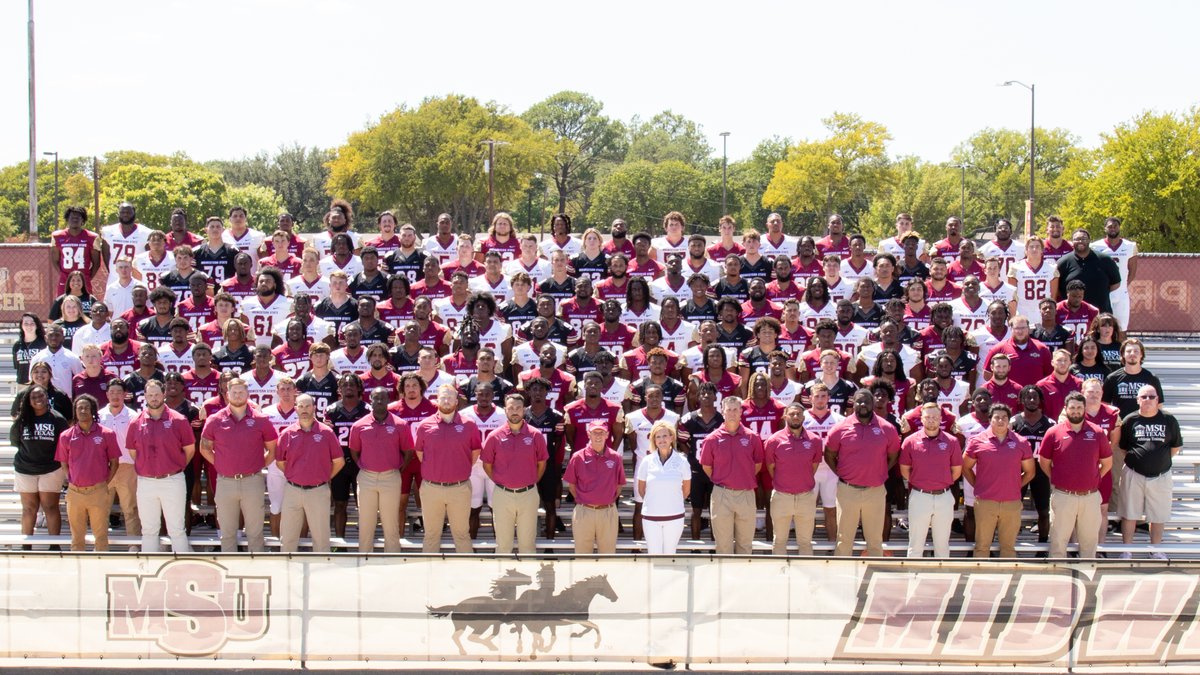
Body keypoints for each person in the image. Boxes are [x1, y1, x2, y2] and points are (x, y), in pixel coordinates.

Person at [199, 377, 278, 552]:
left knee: (255, 531)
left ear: (248, 394)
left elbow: (273, 449)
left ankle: (256, 567)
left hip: (252, 481)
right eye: (234, 392)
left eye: (241, 392)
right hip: (225, 481)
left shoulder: (261, 419)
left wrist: (258, 465)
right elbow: (204, 449)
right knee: (227, 532)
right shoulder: (215, 419)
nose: (237, 395)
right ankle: (230, 570)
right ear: (227, 394)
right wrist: (221, 465)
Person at [825, 388, 902, 557]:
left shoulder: (887, 428)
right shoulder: (840, 428)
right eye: (859, 401)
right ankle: (842, 578)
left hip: (874, 490)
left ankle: (873, 576)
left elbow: (894, 455)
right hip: (848, 490)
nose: (863, 405)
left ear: (873, 403)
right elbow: (829, 454)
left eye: (867, 401)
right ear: (853, 404)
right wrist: (841, 473)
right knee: (844, 539)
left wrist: (880, 471)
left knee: (875, 540)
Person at [1039, 392, 1112, 558]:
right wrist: (1056, 478)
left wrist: (1094, 477)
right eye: (1072, 408)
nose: (1076, 411)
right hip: (1063, 496)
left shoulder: (1098, 432)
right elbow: (1044, 462)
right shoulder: (1053, 433)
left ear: (1084, 409)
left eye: (1079, 407)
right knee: (1058, 542)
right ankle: (1057, 578)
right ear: (1066, 409)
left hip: (1090, 496)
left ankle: (1087, 579)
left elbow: (1107, 462)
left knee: (1089, 543)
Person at [125, 379, 194, 553]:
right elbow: (133, 452)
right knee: (148, 530)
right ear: (145, 397)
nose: (154, 398)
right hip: (146, 481)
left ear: (163, 394)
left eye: (157, 394)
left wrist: (174, 466)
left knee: (177, 529)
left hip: (172, 480)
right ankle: (151, 570)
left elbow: (189, 449)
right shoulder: (135, 422)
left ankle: (182, 568)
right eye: (150, 395)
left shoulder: (179, 420)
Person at [413, 384, 481, 553]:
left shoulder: (469, 425)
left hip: (459, 488)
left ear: (456, 401)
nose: (446, 400)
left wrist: (458, 468)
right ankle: (429, 577)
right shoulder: (425, 425)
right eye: (443, 397)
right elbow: (420, 454)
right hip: (431, 488)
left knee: (462, 535)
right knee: (431, 535)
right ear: (436, 400)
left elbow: (475, 452)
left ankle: (467, 578)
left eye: (450, 397)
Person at [1118, 384, 1183, 559]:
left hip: (1161, 475)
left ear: (1157, 399)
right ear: (1137, 399)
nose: (1148, 400)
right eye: (1144, 397)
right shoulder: (1130, 420)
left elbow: (1175, 447)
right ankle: (1127, 550)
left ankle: (1155, 549)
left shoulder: (1169, 420)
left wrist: (1156, 461)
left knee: (1158, 515)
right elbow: (1123, 447)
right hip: (1134, 473)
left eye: (1151, 397)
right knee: (1129, 513)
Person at [963, 403, 1035, 558]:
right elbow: (965, 467)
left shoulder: (1021, 442)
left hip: (1012, 502)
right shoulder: (977, 441)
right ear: (990, 420)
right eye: (997, 417)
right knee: (982, 547)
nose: (1001, 420)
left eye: (1004, 417)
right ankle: (980, 579)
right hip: (985, 502)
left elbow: (1030, 472)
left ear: (1009, 420)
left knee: (1008, 548)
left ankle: (1008, 580)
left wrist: (1016, 486)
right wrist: (979, 485)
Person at [276, 394, 345, 553]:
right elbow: (280, 462)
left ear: (314, 408)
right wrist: (295, 475)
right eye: (301, 406)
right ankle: (288, 572)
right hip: (293, 491)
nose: (304, 410)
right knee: (288, 538)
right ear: (295, 409)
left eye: (308, 406)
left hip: (318, 491)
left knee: (321, 538)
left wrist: (324, 477)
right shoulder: (287, 433)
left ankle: (321, 573)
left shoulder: (326, 433)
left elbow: (339, 461)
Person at [482, 393, 548, 554]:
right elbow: (487, 465)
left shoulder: (535, 435)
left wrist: (530, 481)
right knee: (503, 544)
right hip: (502, 495)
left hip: (528, 494)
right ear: (505, 410)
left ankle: (529, 575)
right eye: (511, 408)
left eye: (518, 408)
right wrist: (502, 481)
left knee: (527, 544)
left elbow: (541, 464)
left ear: (524, 410)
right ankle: (503, 576)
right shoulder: (494, 436)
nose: (515, 411)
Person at [350, 388, 411, 553]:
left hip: (390, 477)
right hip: (366, 477)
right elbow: (354, 451)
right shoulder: (358, 425)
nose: (379, 402)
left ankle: (392, 559)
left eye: (383, 398)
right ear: (370, 399)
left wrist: (396, 469)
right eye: (376, 398)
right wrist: (364, 466)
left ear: (388, 400)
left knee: (390, 522)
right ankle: (364, 557)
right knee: (366, 522)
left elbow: (407, 451)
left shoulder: (400, 424)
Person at [56, 395, 121, 551]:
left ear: (93, 410)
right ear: (75, 411)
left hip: (98, 491)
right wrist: (70, 479)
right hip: (75, 492)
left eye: (86, 407)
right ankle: (78, 572)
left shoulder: (107, 434)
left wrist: (105, 484)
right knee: (77, 538)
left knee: (101, 537)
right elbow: (63, 462)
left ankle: (101, 569)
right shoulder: (66, 436)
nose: (83, 410)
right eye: (79, 408)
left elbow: (114, 463)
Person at [700, 396, 763, 554]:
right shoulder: (712, 439)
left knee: (745, 544)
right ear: (722, 412)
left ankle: (742, 578)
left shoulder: (752, 437)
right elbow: (707, 466)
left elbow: (757, 464)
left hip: (746, 494)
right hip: (722, 494)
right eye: (729, 410)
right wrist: (723, 480)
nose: (732, 413)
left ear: (741, 412)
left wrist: (741, 478)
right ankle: (725, 578)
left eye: (736, 409)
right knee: (723, 545)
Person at [899, 402, 963, 558]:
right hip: (920, 496)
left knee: (942, 546)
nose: (931, 420)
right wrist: (922, 483)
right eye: (928, 417)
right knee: (915, 545)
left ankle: (942, 580)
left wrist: (940, 483)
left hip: (944, 496)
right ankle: (913, 578)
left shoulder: (951, 441)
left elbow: (956, 471)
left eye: (935, 417)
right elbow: (904, 469)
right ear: (921, 419)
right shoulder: (910, 441)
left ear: (941, 418)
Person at [10, 384, 68, 548]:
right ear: (28, 400)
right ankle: (26, 545)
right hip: (25, 469)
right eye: (34, 397)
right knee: (29, 508)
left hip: (50, 469)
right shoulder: (22, 420)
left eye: (41, 396)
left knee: (50, 507)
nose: (38, 399)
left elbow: (64, 445)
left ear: (46, 398)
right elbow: (15, 442)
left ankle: (54, 545)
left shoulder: (57, 419)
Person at [764, 402, 823, 555]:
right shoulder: (774, 440)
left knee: (805, 542)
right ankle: (780, 575)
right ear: (785, 416)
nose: (795, 417)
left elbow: (814, 466)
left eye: (798, 414)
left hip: (806, 497)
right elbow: (771, 467)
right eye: (792, 414)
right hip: (782, 497)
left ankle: (806, 577)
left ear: (804, 416)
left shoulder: (815, 440)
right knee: (779, 541)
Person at [564, 421, 626, 554]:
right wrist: (586, 500)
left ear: (607, 435)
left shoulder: (616, 457)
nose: (598, 436)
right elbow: (572, 486)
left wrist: (606, 499)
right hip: (584, 511)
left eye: (602, 432)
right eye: (595, 433)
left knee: (608, 555)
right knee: (582, 555)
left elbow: (619, 485)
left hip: (607, 512)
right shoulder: (578, 457)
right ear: (588, 434)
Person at [636, 421, 691, 555]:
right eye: (658, 437)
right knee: (654, 556)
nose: (662, 440)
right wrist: (656, 501)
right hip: (651, 518)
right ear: (654, 440)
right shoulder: (647, 461)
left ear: (672, 437)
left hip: (675, 517)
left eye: (665, 436)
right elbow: (641, 490)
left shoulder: (682, 461)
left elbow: (686, 491)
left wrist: (670, 501)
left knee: (670, 556)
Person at [1056, 228, 1120, 314]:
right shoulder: (1063, 262)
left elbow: (1116, 283)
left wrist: (1101, 291)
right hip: (1072, 315)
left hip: (1101, 312)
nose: (1080, 241)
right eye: (1077, 239)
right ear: (1072, 242)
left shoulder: (1105, 260)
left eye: (1083, 239)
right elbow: (1056, 288)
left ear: (1089, 240)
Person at [1091, 217, 1138, 331]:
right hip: (1103, 291)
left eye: (1115, 226)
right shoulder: (1095, 246)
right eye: (1110, 226)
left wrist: (1123, 286)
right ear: (1105, 228)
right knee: (1100, 326)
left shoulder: (1130, 246)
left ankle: (1120, 349)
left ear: (1119, 227)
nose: (1113, 229)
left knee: (1121, 328)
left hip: (1121, 291)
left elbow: (1132, 270)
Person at [1103, 338, 1165, 418]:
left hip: (1143, 424)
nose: (1132, 354)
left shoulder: (1151, 378)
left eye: (1136, 351)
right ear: (1123, 354)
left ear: (1141, 354)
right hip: (1120, 425)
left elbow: (1159, 404)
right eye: (1128, 351)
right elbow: (1105, 404)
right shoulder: (1112, 378)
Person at [52, 205, 102, 295]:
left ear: (83, 220)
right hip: (65, 279)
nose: (75, 220)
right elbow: (55, 260)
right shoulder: (57, 236)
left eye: (78, 217)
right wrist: (63, 275)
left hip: (83, 278)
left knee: (85, 307)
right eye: (72, 217)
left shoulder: (91, 237)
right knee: (63, 306)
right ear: (67, 219)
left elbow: (96, 263)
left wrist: (87, 277)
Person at [30, 323, 82, 394]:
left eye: (57, 335)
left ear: (63, 338)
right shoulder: (37, 358)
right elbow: (31, 380)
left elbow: (79, 380)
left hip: (65, 400)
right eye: (50, 335)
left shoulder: (72, 358)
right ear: (45, 338)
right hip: (42, 400)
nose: (54, 338)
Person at [13, 312, 47, 385]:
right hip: (22, 384)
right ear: (21, 326)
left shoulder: (44, 343)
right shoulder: (17, 345)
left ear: (37, 325)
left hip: (40, 383)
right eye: (26, 323)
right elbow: (17, 366)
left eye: (32, 323)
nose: (29, 326)